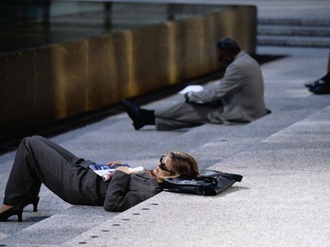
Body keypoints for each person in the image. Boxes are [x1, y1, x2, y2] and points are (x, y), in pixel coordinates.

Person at [0, 135, 200, 222]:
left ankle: (13, 202)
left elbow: (112, 203)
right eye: (160, 160)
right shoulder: (157, 181)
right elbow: (128, 181)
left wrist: (122, 174)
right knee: (39, 140)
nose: (158, 165)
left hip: (79, 185)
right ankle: (25, 196)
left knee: (30, 144)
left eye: (163, 166)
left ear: (174, 175)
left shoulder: (151, 194)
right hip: (90, 171)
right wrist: (122, 168)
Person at [122, 37, 269, 131]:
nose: (221, 61)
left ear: (229, 54)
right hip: (248, 109)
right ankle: (146, 119)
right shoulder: (245, 60)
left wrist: (192, 95)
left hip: (243, 114)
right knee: (191, 117)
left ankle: (145, 114)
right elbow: (223, 90)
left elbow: (217, 93)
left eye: (221, 58)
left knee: (190, 109)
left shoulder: (237, 66)